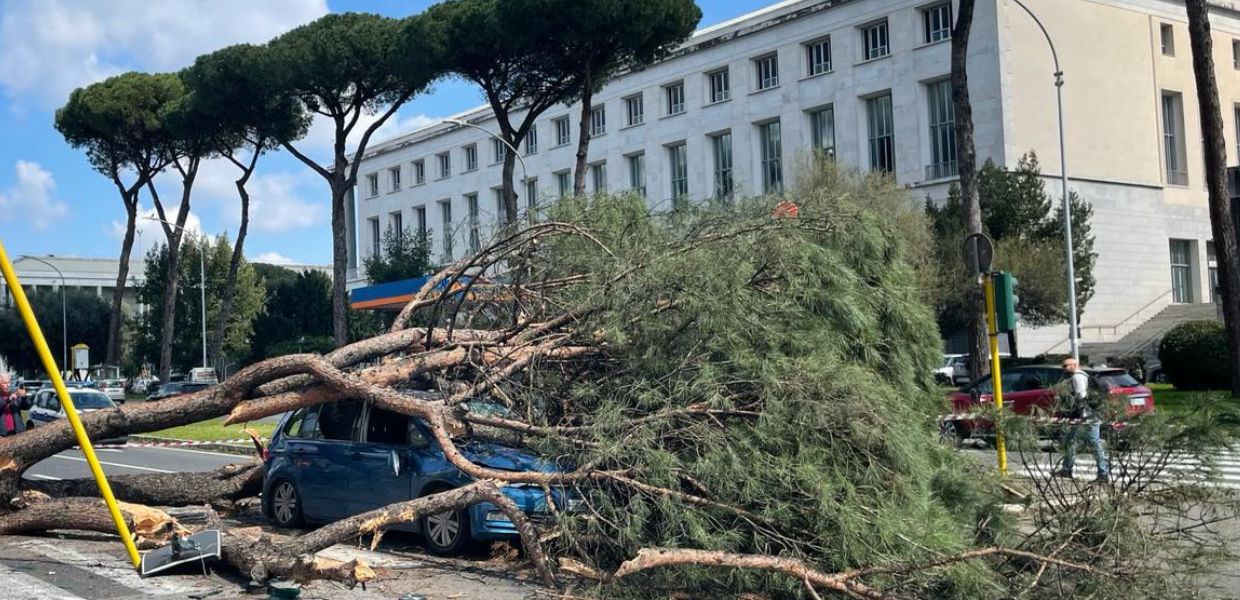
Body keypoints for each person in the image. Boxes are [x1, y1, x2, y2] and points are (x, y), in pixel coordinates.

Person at [1053, 358, 1109, 484]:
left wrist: (1079, 412)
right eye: (1063, 366)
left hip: (1087, 416)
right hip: (1085, 415)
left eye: (1066, 365)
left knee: (1094, 442)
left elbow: (1081, 395)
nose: (1064, 368)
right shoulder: (1083, 375)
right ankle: (1066, 469)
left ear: (1074, 365)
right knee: (1071, 441)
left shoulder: (1077, 377)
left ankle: (1103, 474)